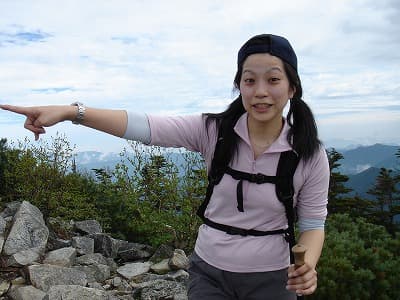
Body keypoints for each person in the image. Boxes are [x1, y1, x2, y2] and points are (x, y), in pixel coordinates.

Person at [1, 34, 329, 299]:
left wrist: (308, 265)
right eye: (249, 80)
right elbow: (147, 127)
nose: (260, 92)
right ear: (239, 85)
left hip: (272, 278)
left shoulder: (309, 155)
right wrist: (73, 112)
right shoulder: (213, 131)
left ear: (292, 87)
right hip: (209, 273)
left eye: (273, 80)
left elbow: (313, 224)